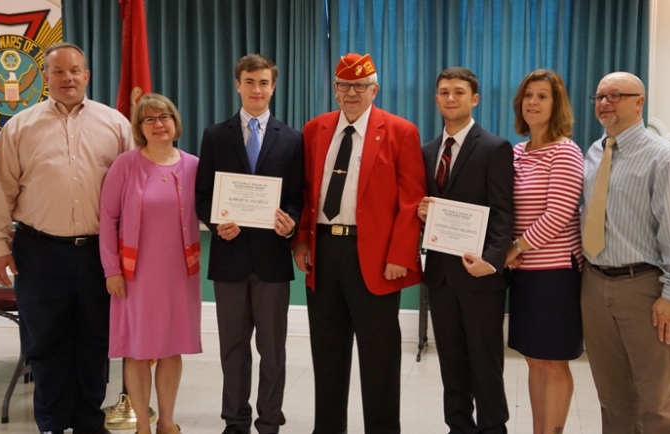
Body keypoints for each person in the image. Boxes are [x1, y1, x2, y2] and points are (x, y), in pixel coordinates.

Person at [0, 42, 133, 434]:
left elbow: (135, 189)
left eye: (75, 70)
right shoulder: (20, 127)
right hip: (39, 252)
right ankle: (50, 424)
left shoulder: (115, 124)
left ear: (87, 75)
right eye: (58, 71)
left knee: (94, 341)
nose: (67, 77)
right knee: (45, 343)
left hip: (98, 253)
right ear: (45, 78)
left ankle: (88, 422)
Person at [293, 52, 426, 434]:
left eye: (360, 86)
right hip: (324, 255)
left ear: (375, 90)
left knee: (379, 358)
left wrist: (400, 254)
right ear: (335, 89)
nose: (352, 93)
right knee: (328, 354)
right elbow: (306, 192)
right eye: (344, 85)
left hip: (376, 258)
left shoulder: (400, 131)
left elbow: (411, 200)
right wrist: (302, 242)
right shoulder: (315, 129)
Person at [581, 71, 670, 433]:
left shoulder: (663, 158)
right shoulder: (595, 152)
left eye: (615, 95)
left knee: (656, 400)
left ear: (639, 102)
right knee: (611, 397)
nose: (605, 103)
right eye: (599, 97)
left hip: (645, 290)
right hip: (595, 285)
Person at [195, 54, 303, 434]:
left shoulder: (291, 139)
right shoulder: (215, 135)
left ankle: (270, 421)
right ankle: (236, 421)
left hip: (272, 261)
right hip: (229, 259)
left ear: (273, 87)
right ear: (237, 85)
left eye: (264, 83)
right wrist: (215, 222)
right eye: (250, 82)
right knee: (233, 349)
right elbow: (203, 194)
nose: (257, 90)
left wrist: (290, 223)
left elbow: (295, 197)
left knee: (272, 351)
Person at [417, 67, 514, 434]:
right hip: (440, 277)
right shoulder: (426, 152)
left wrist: (491, 262)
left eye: (459, 92)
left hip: (480, 277)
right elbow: (425, 210)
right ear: (437, 99)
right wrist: (422, 213)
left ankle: (493, 429)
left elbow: (504, 212)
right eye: (444, 92)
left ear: (474, 99)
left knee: (485, 363)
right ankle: (458, 427)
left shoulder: (494, 147)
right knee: (451, 363)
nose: (451, 98)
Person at [99, 93, 201, 434]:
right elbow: (107, 219)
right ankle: (143, 425)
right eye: (150, 119)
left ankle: (167, 423)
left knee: (172, 349)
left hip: (179, 273)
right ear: (140, 128)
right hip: (134, 275)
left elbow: (216, 211)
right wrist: (111, 269)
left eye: (165, 117)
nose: (159, 124)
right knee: (138, 350)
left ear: (175, 122)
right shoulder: (125, 165)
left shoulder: (194, 165)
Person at [504, 69, 584, 434]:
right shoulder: (517, 152)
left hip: (555, 276)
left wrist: (514, 247)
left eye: (542, 96)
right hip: (523, 275)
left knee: (553, 362)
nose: (533, 102)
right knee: (534, 360)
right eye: (528, 96)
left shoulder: (565, 151)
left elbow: (559, 214)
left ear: (556, 105)